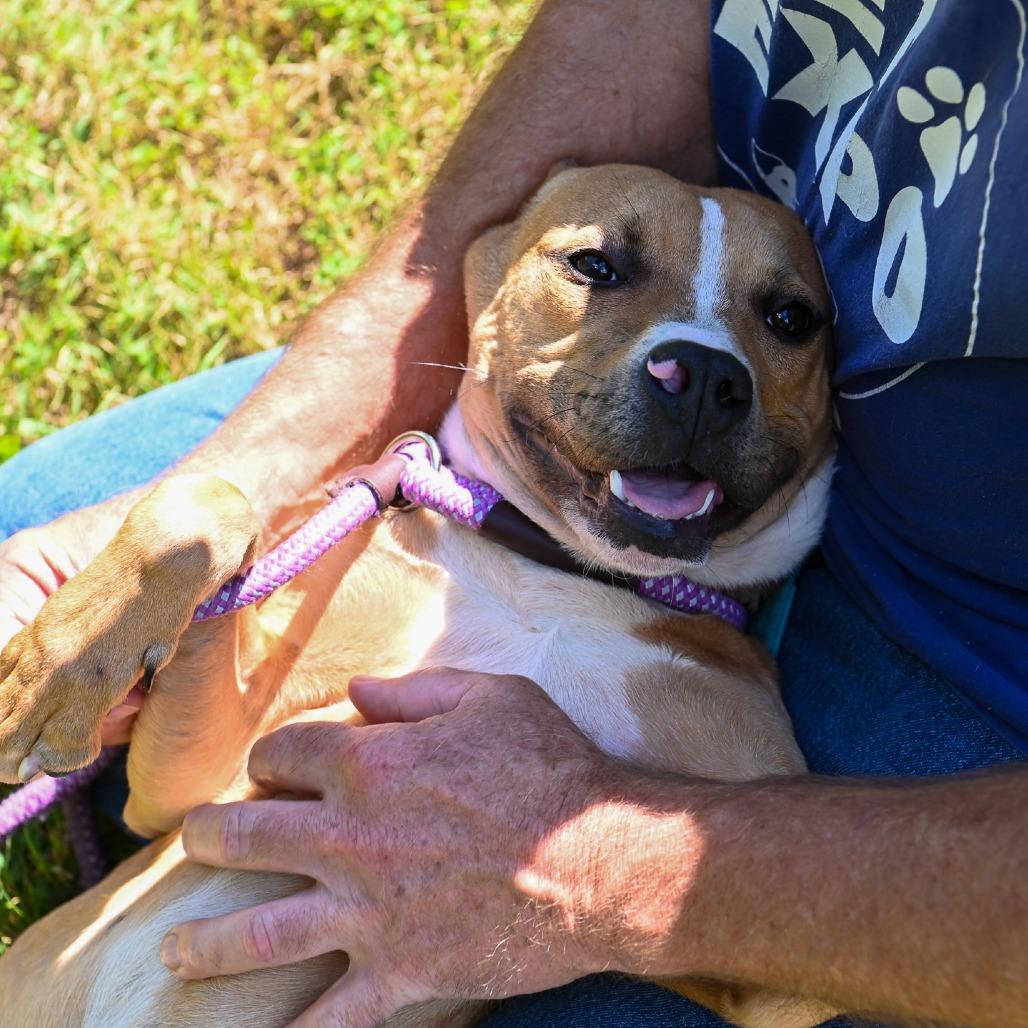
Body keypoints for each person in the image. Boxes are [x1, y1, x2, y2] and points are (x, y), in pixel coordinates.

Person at [2, 1, 1026, 1024]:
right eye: (598, 268)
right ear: (485, 276)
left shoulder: (725, 718)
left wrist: (600, 872)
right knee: (28, 526)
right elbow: (173, 792)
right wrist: (192, 531)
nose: (705, 366)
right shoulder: (381, 554)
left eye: (783, 320)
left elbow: (779, 988)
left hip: (977, 669)